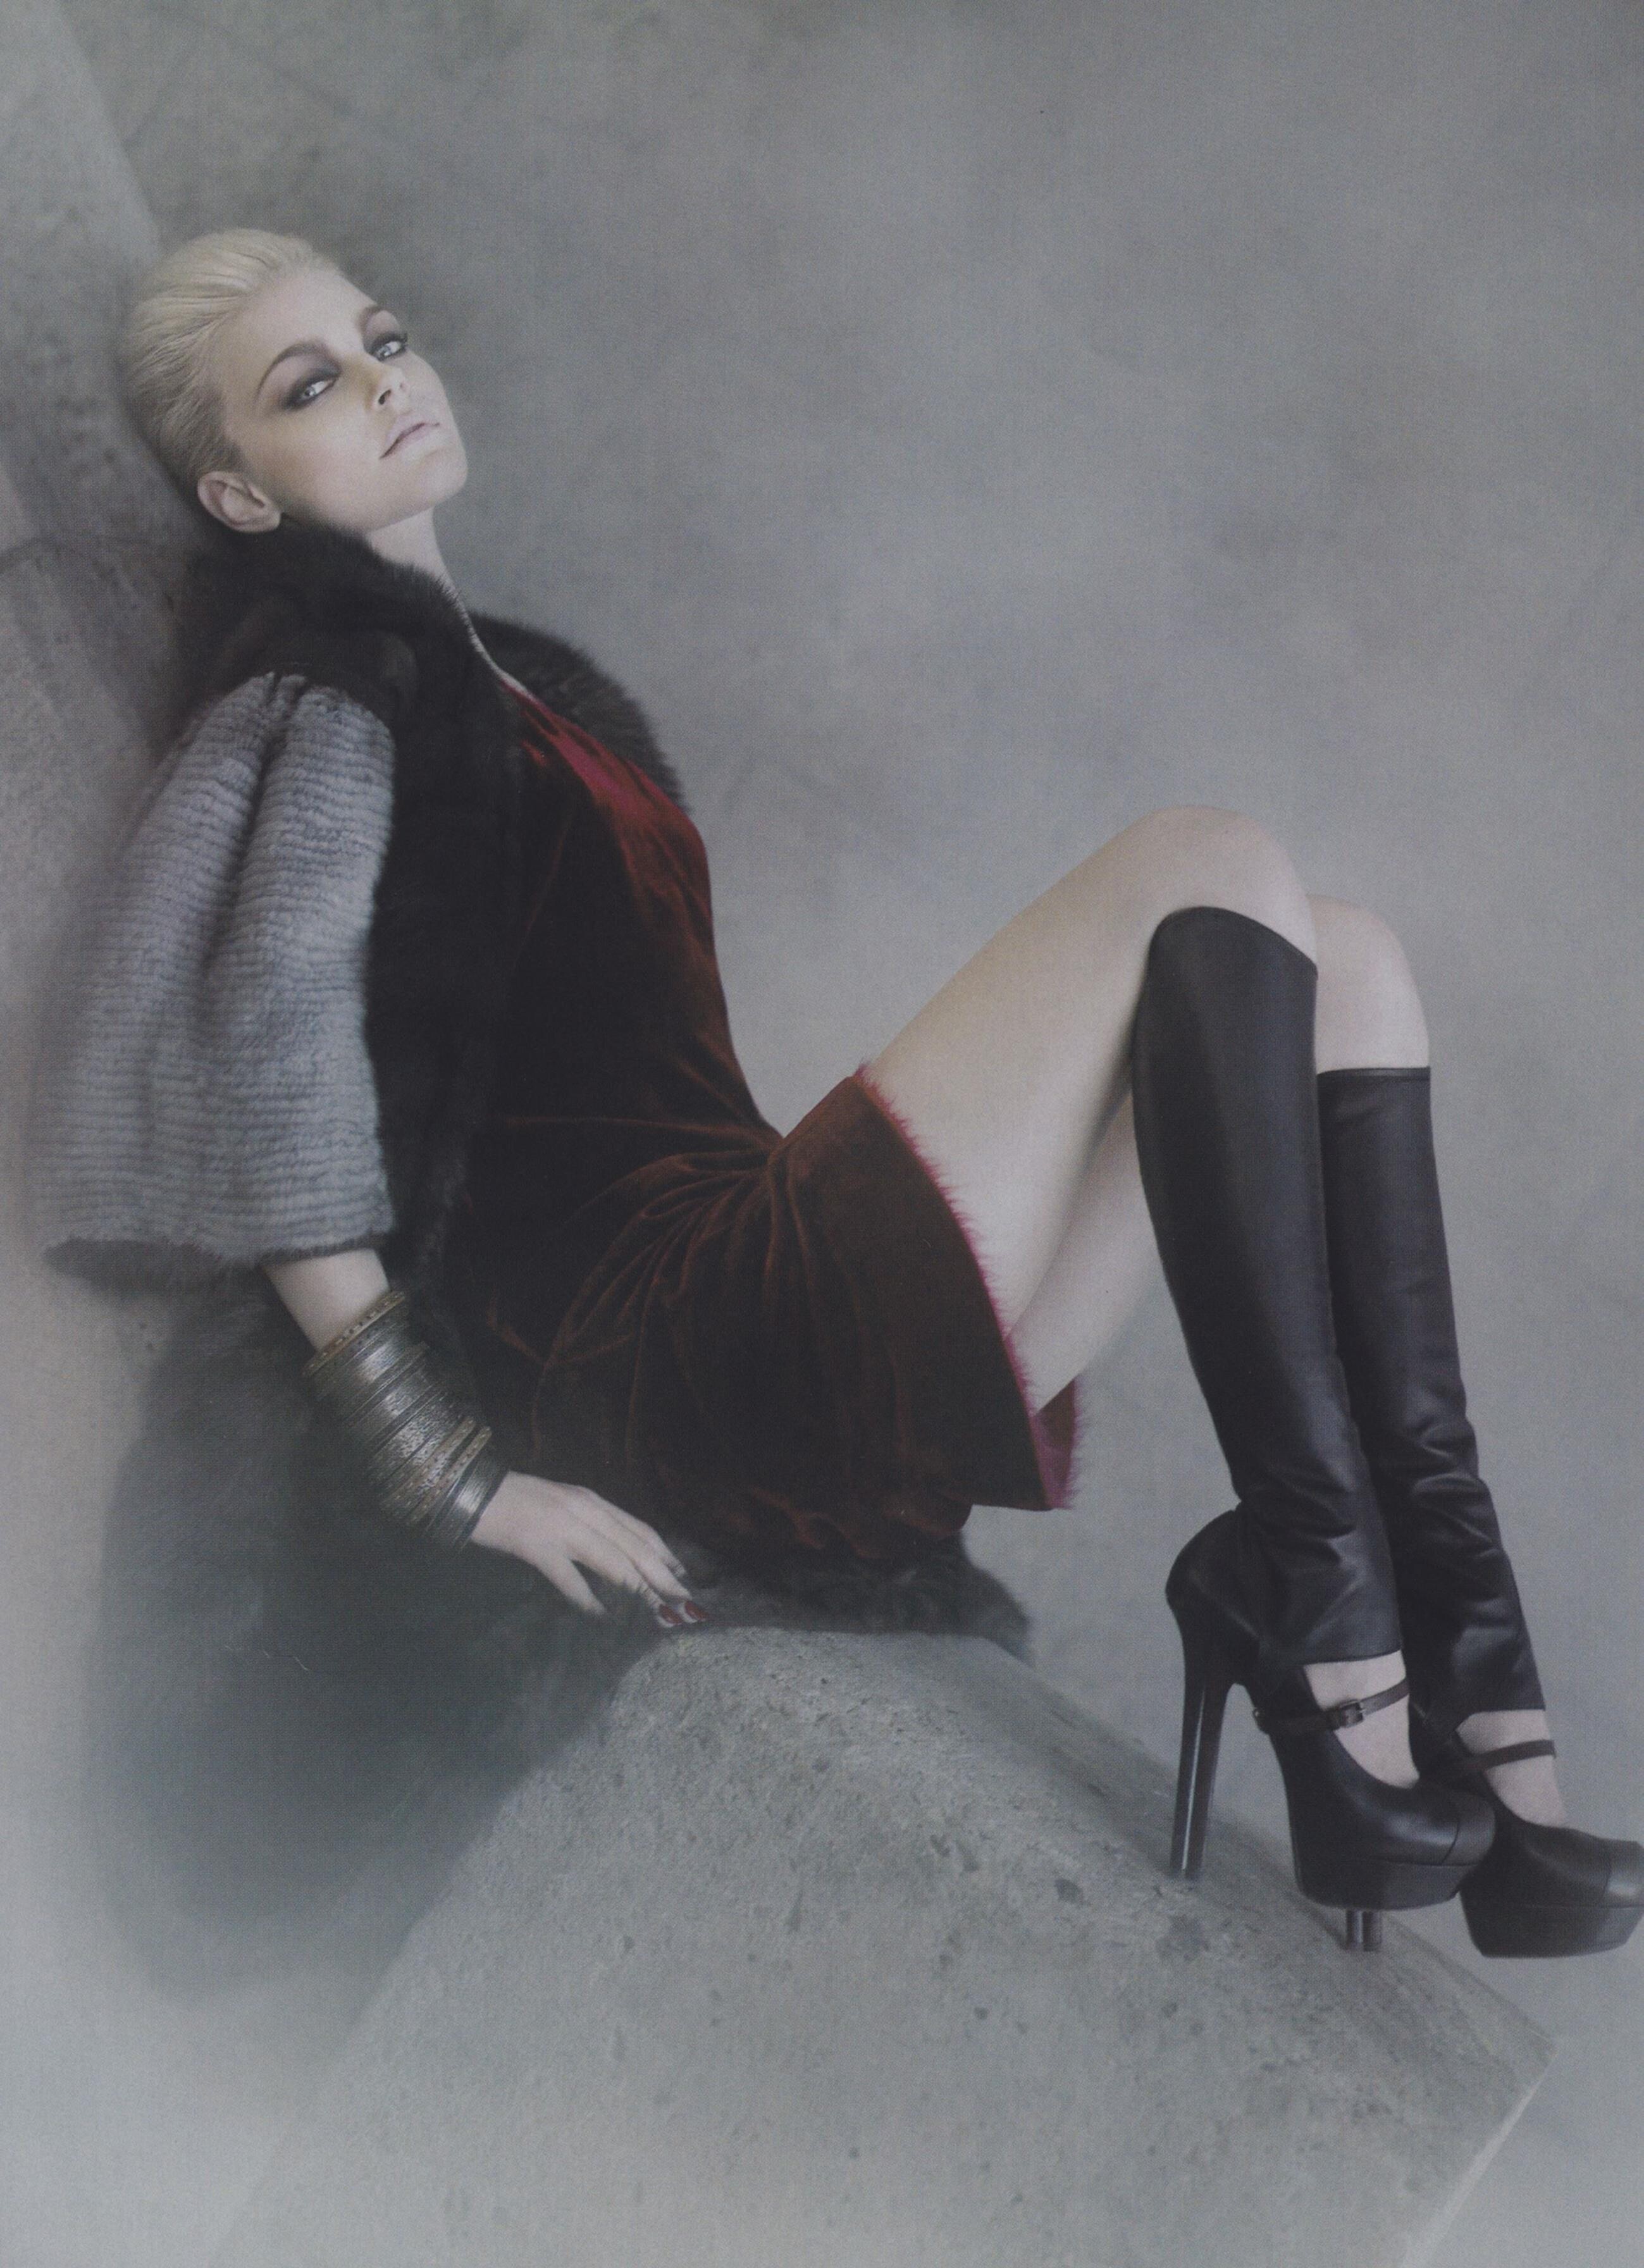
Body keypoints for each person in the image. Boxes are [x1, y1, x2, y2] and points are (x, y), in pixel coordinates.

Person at [28, 228, 1639, 1966]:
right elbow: (268, 1108)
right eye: (309, 386)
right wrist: (463, 1480)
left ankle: (1494, 1730)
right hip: (656, 1357)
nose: (383, 380)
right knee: (1209, 862)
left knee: (1352, 956)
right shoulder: (331, 704)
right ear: (240, 493)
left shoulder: (518, 688)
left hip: (748, 1321)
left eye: (382, 338)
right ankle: (1334, 1652)